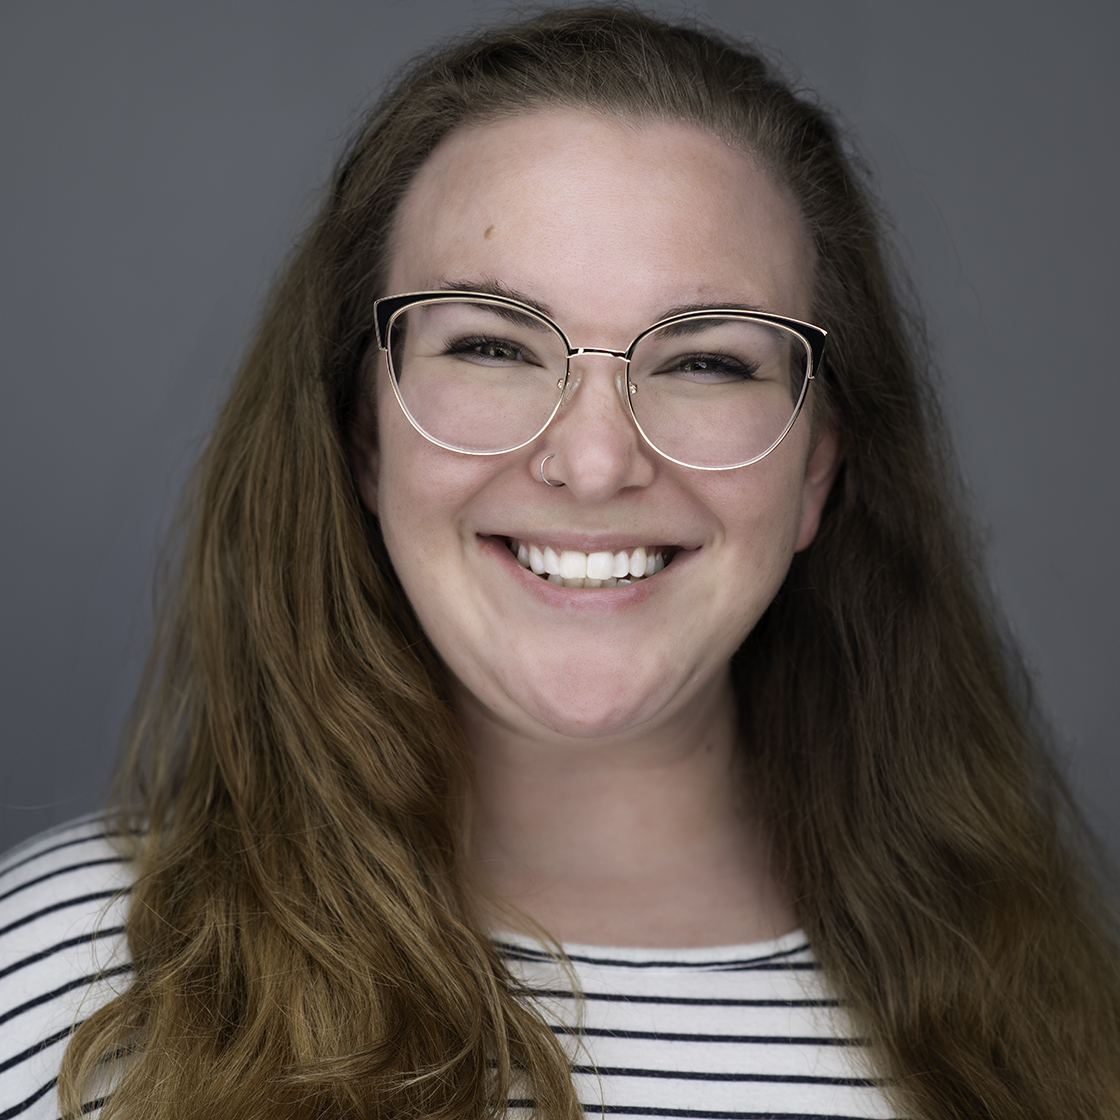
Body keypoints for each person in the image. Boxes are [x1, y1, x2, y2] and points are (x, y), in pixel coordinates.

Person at [1, 7, 1117, 1119]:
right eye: (491, 344)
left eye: (707, 362)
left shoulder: (1059, 1034)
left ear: (817, 468)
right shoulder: (65, 984)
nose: (592, 462)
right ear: (363, 437)